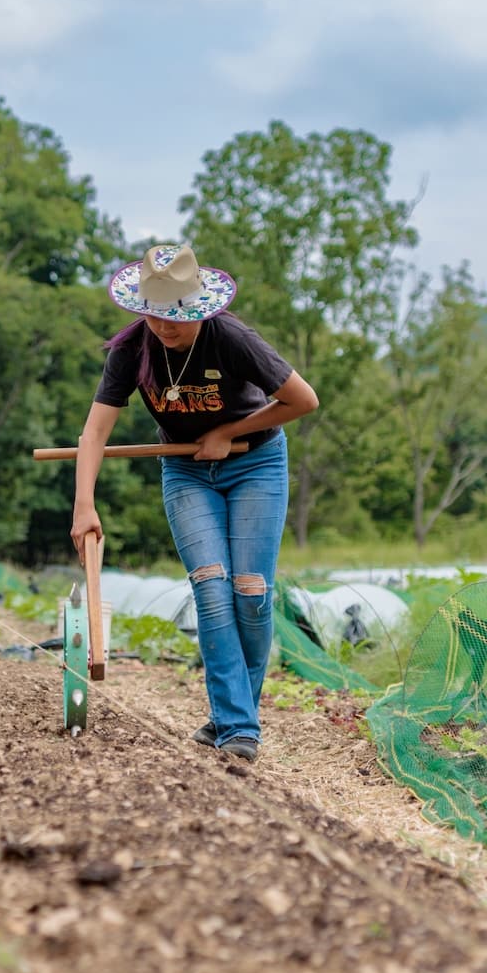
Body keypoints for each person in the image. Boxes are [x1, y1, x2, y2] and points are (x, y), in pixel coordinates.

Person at [70, 245, 318, 761]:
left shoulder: (232, 338)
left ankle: (233, 713)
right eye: (155, 316)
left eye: (176, 318)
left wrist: (230, 430)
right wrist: (84, 505)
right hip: (185, 471)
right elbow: (95, 432)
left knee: (250, 591)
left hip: (255, 463)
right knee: (210, 584)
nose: (165, 327)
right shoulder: (131, 350)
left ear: (201, 306)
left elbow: (303, 400)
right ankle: (237, 726)